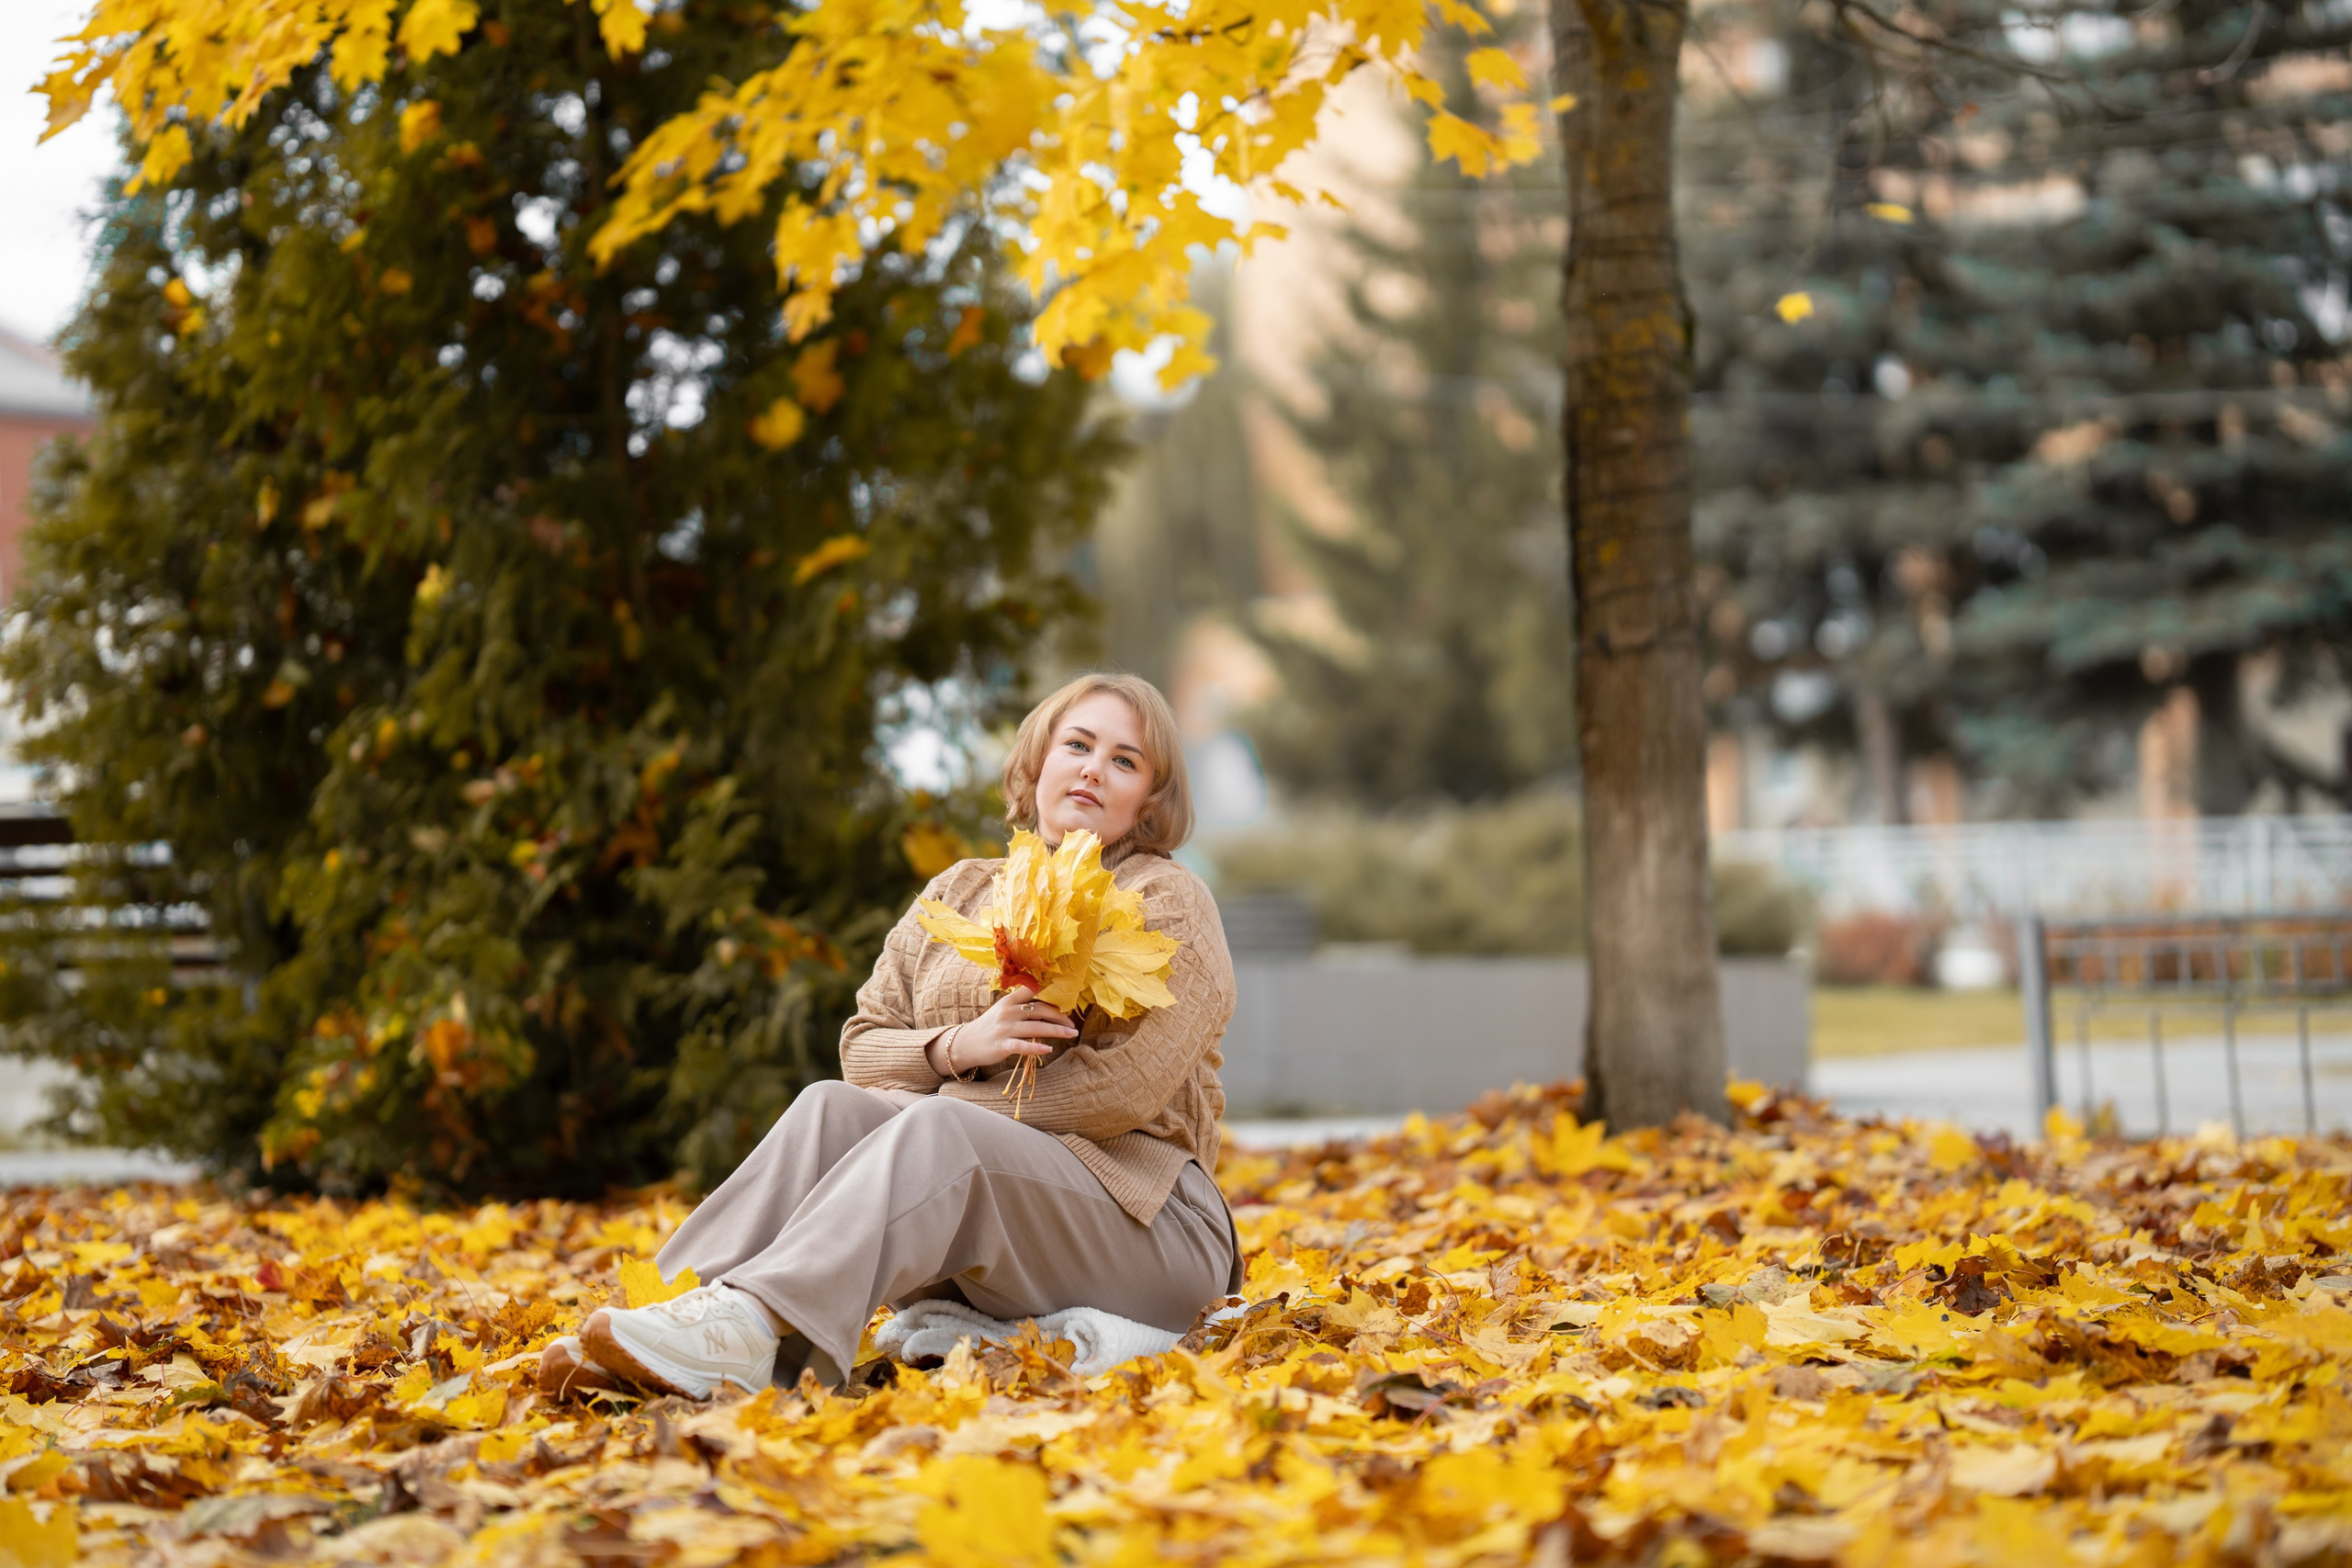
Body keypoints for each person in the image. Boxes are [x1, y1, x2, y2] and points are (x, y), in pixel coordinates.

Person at [539, 672, 1241, 1399]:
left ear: (1151, 801)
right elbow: (861, 1047)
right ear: (1036, 764)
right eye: (1079, 743)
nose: (1095, 766)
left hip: (1148, 1229)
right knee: (829, 1108)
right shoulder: (958, 890)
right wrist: (955, 1047)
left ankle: (746, 1333)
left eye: (1125, 760)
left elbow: (1120, 1094)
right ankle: (657, 1320)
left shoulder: (1168, 899)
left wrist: (935, 1106)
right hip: (985, 1244)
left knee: (939, 1127)